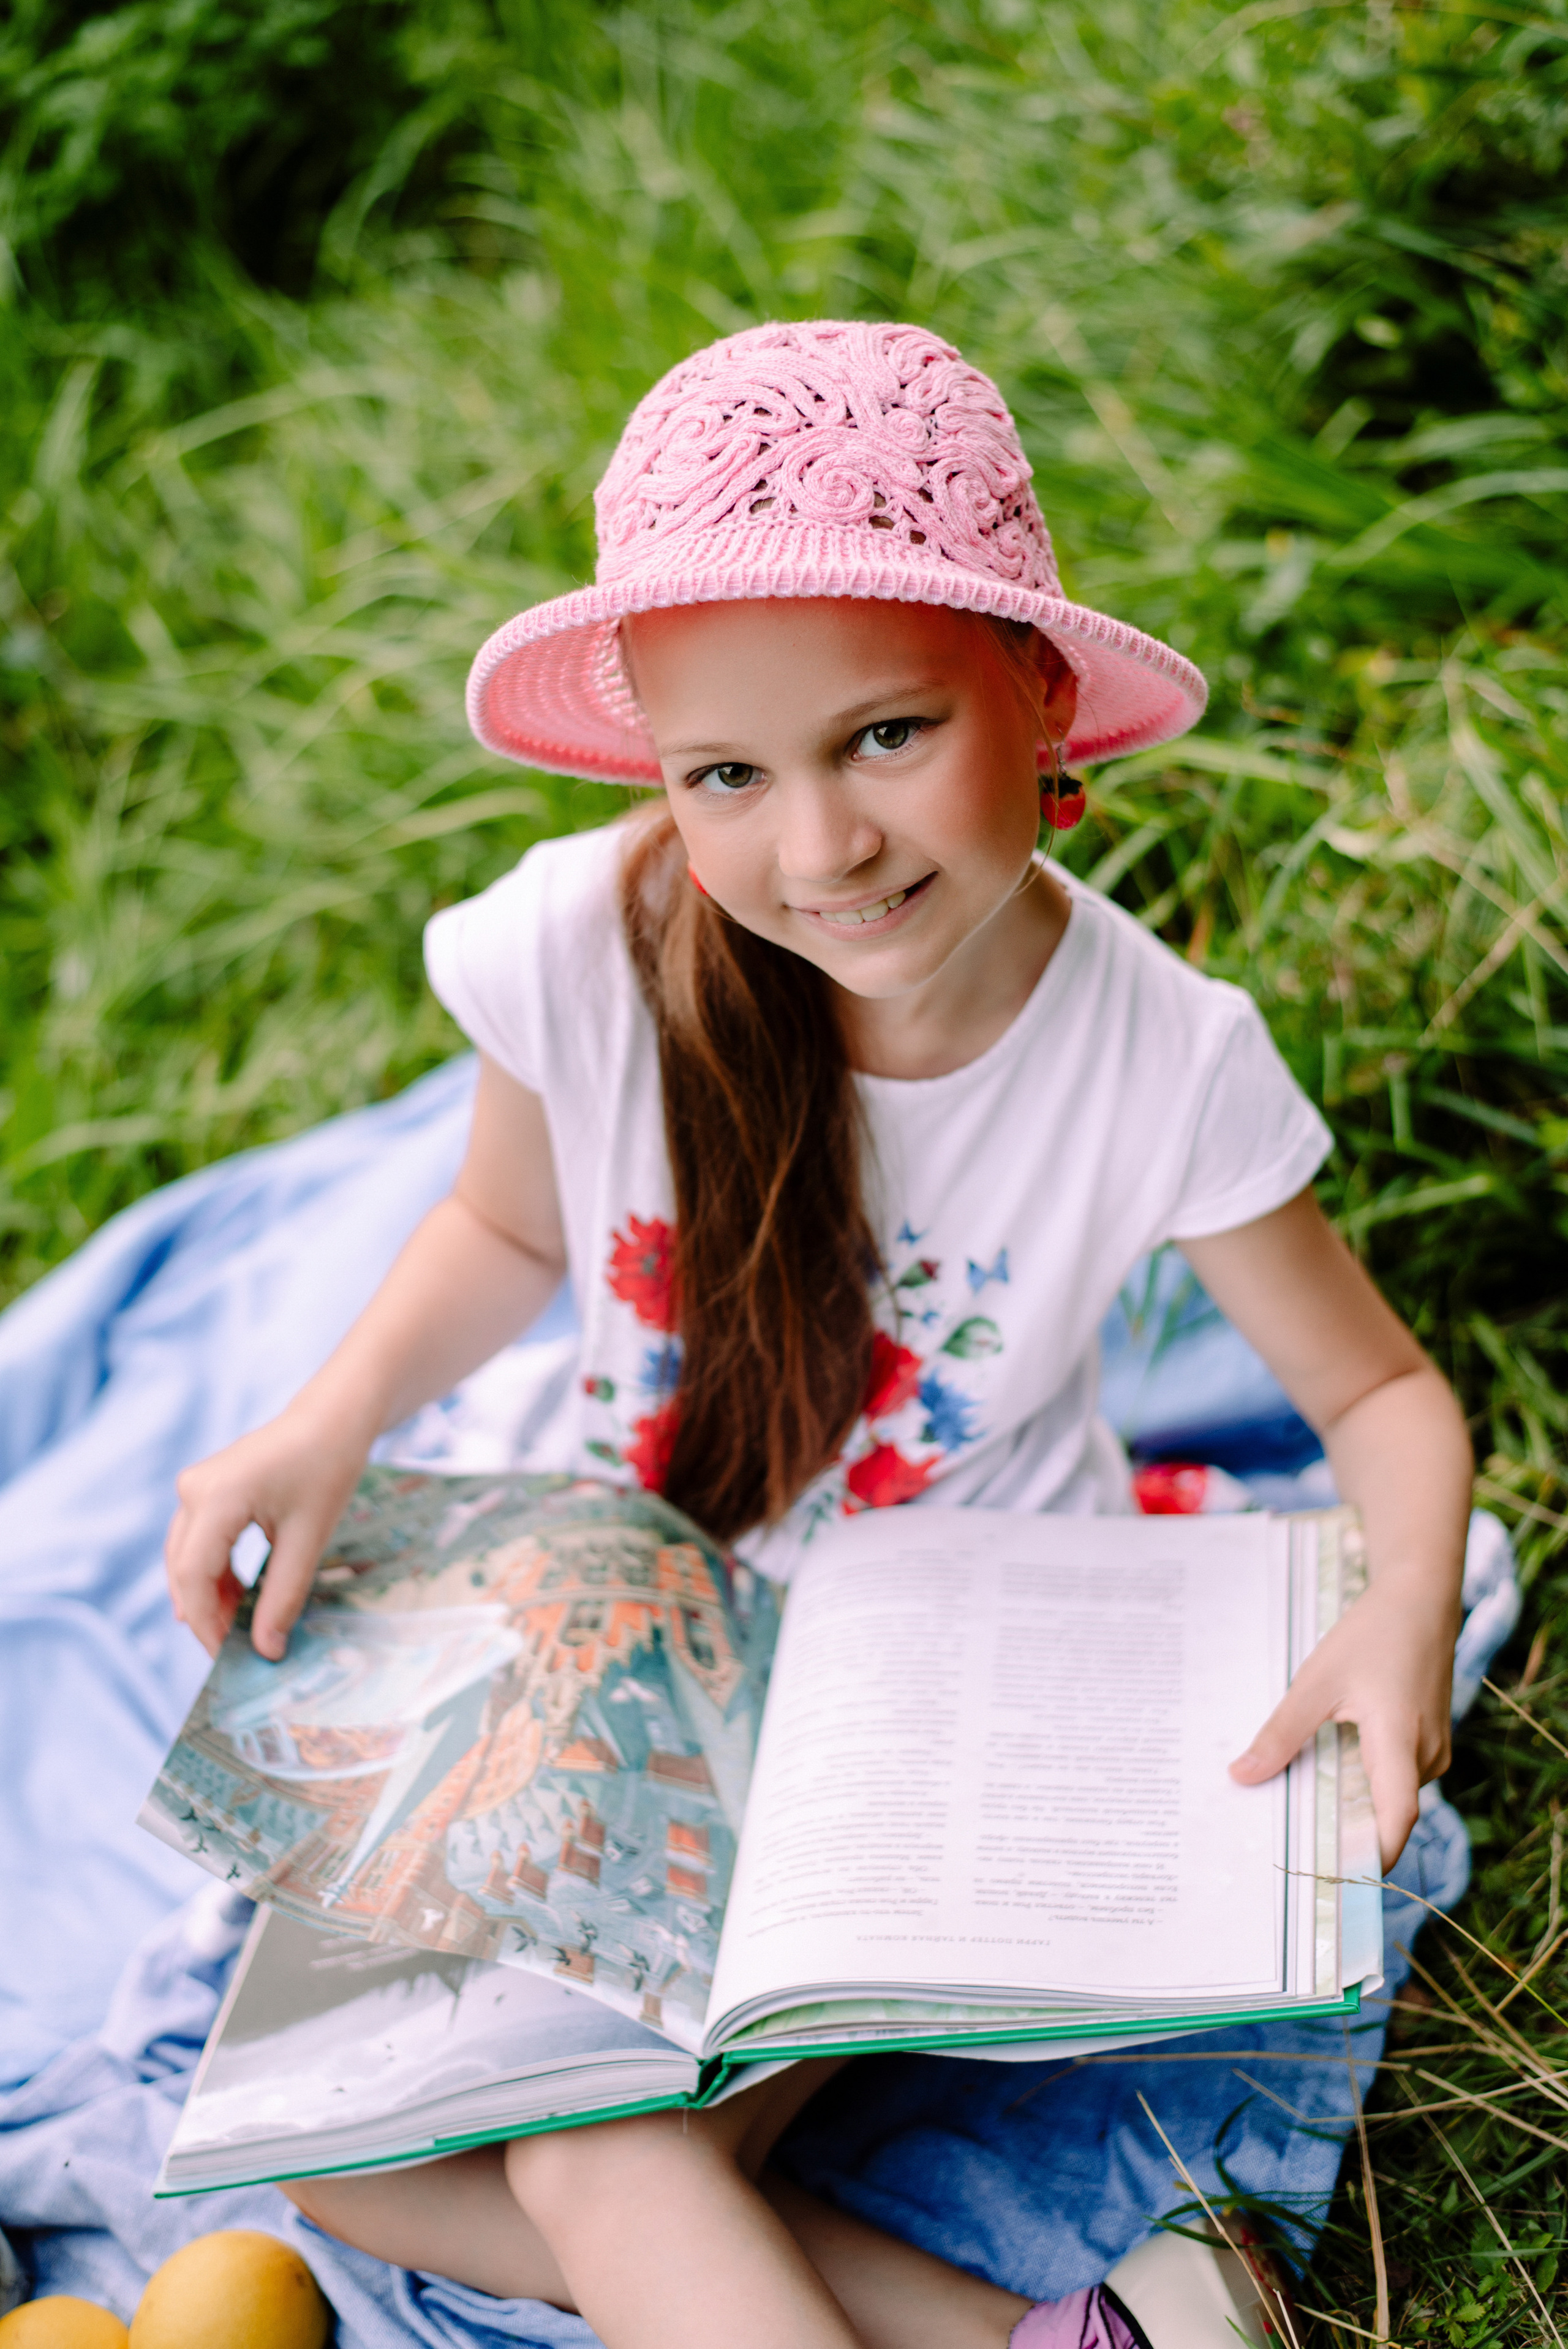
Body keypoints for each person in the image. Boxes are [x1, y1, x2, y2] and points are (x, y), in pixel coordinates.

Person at [164, 322, 1472, 2349]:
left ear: (1040, 695)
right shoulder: (583, 952)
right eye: (726, 777)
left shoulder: (1158, 1054)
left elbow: (1377, 1388)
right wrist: (327, 1417)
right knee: (340, 2141)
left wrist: (1396, 1605)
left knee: (597, 2149)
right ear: (661, 778)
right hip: (631, 1648)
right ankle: (1062, 2333)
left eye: (885, 735)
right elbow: (502, 1225)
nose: (821, 848)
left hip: (946, 1683)